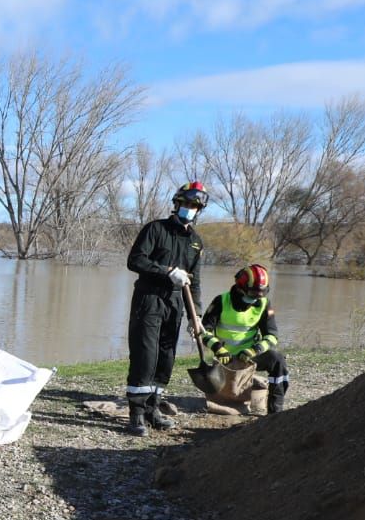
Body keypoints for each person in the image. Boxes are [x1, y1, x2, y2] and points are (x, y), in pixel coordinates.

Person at [123, 181, 207, 436]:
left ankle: (153, 409)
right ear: (177, 203)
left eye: (195, 206)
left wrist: (197, 317)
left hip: (176, 303)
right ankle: (136, 412)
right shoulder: (155, 229)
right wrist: (168, 271)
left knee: (166, 356)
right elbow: (135, 260)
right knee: (145, 354)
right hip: (149, 298)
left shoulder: (195, 242)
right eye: (187, 204)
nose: (190, 209)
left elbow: (195, 281)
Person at [197, 263, 288, 413]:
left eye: (261, 294)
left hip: (249, 356)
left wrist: (255, 350)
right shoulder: (221, 301)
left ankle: (275, 410)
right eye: (252, 294)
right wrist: (218, 348)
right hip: (224, 358)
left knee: (277, 360)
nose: (256, 298)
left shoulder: (263, 304)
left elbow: (272, 336)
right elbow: (203, 331)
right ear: (240, 288)